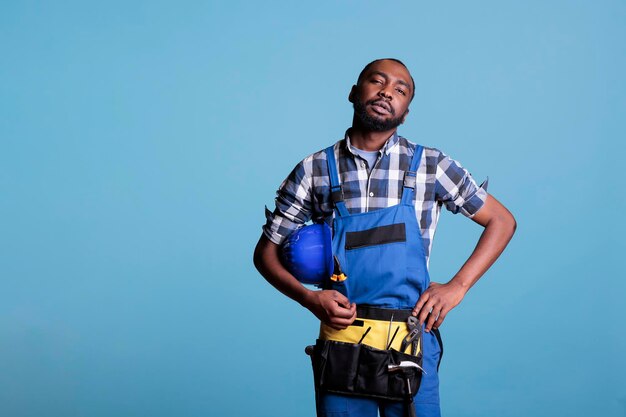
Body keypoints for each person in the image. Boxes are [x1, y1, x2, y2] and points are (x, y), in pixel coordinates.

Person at [253, 58, 516, 417]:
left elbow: (501, 221)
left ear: (406, 112)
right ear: (353, 92)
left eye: (400, 89)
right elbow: (265, 254)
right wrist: (309, 298)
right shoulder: (314, 169)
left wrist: (458, 286)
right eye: (377, 82)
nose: (386, 92)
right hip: (343, 340)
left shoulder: (430, 165)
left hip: (410, 337)